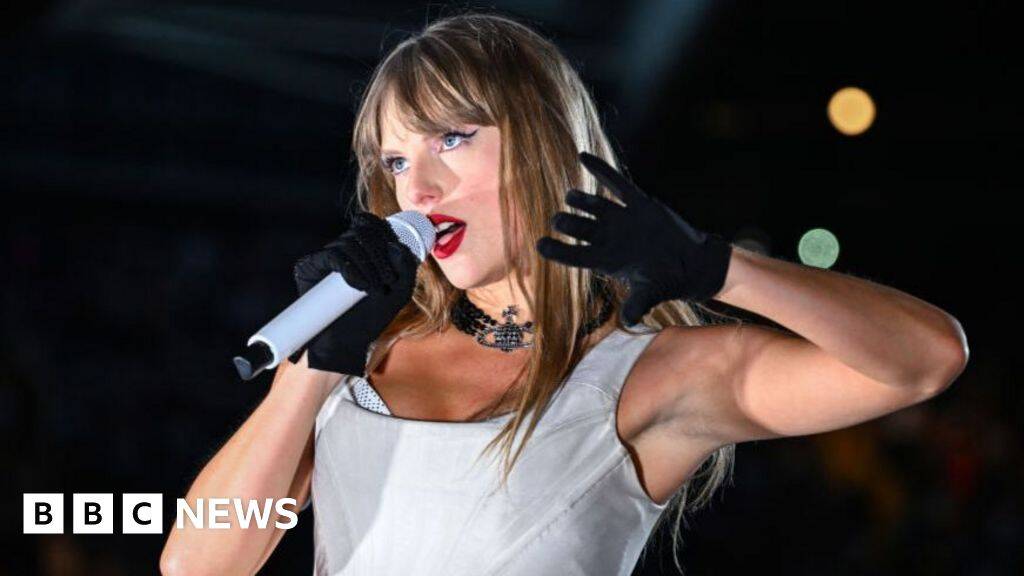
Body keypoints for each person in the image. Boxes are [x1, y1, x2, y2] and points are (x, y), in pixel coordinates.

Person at [160, 11, 969, 576]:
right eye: (396, 161)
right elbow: (196, 565)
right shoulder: (361, 353)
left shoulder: (652, 373)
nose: (420, 186)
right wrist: (311, 369)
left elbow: (926, 361)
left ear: (542, 141)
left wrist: (722, 270)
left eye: (452, 138)